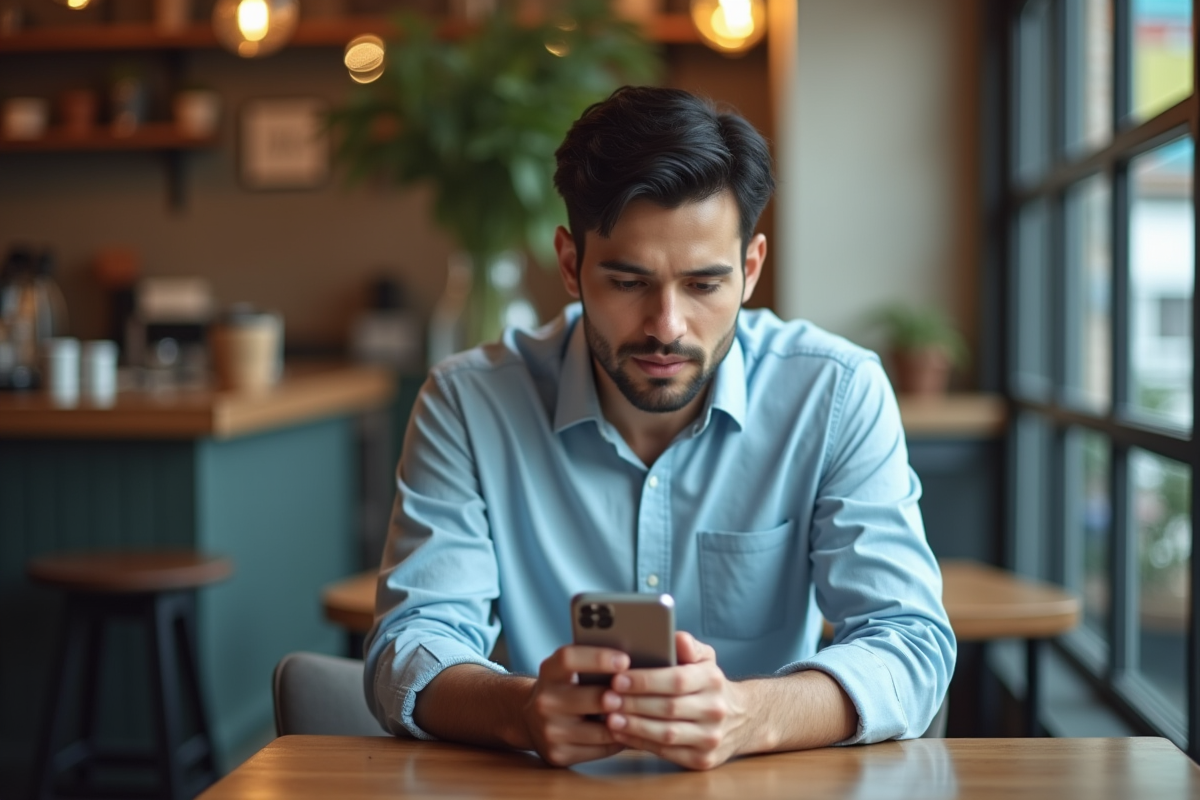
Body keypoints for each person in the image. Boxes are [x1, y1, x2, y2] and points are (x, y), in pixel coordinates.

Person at [364, 85, 955, 771]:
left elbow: (909, 643)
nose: (667, 327)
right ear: (569, 265)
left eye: (704, 285)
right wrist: (520, 711)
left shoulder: (835, 394)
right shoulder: (467, 403)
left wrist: (748, 717)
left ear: (750, 269)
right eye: (627, 281)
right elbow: (408, 646)